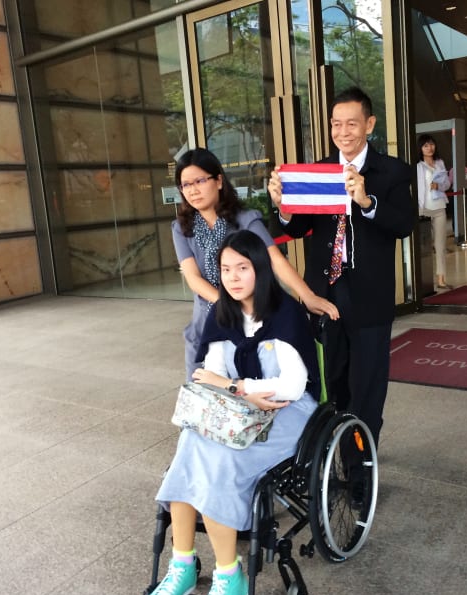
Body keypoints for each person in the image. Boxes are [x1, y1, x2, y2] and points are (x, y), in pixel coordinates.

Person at [143, 230, 320, 595]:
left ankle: (229, 578)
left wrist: (242, 388)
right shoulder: (222, 312)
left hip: (289, 412)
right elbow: (211, 373)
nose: (233, 277)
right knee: (190, 444)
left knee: (222, 457)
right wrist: (240, 391)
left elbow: (290, 386)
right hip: (241, 407)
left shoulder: (284, 312)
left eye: (243, 268)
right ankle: (183, 563)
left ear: (260, 268)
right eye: (225, 269)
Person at [267, 87, 415, 448]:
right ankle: (335, 456)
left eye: (352, 123)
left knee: (367, 386)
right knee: (332, 381)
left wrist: (367, 201)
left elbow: (405, 224)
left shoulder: (392, 172)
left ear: (369, 124)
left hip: (369, 296)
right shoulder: (317, 171)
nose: (343, 131)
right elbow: (299, 228)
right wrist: (283, 207)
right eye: (336, 124)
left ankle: (362, 465)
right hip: (324, 293)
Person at [172, 148, 338, 380]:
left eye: (199, 180)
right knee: (206, 400)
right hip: (209, 323)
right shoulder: (182, 228)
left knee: (256, 394)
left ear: (219, 181)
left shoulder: (244, 219)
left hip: (255, 320)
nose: (193, 190)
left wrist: (307, 296)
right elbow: (193, 279)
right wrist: (228, 305)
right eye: (185, 185)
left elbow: (275, 260)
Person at [415, 134, 452, 291]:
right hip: (423, 208)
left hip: (439, 207)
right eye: (426, 146)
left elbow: (447, 184)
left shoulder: (440, 163)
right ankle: (422, 280)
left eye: (431, 145)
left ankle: (441, 278)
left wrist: (439, 186)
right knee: (423, 245)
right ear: (420, 148)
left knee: (440, 244)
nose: (430, 148)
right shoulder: (418, 165)